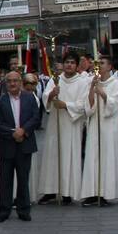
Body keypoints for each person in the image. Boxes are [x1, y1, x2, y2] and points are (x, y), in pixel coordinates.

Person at [38, 53, 91, 204]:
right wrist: (51, 95)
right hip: (55, 124)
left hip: (71, 124)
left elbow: (83, 105)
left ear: (76, 66)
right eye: (67, 62)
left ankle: (67, 191)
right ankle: (50, 190)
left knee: (68, 156)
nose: (69, 65)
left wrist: (66, 105)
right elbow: (46, 97)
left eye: (72, 63)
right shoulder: (56, 80)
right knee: (52, 156)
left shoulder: (82, 83)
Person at [0, 71, 40, 222]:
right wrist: (13, 133)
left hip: (25, 144)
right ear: (5, 84)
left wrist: (23, 131)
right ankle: (3, 211)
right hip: (7, 144)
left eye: (15, 81)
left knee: (23, 179)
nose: (12, 84)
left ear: (20, 82)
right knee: (5, 180)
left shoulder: (30, 98)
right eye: (9, 81)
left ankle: (24, 210)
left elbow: (35, 118)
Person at [80, 58, 118, 206]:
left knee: (106, 158)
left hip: (109, 126)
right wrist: (92, 88)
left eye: (102, 63)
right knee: (92, 157)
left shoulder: (115, 83)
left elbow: (114, 104)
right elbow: (88, 106)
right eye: (98, 64)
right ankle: (92, 192)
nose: (99, 66)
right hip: (95, 125)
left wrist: (102, 93)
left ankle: (105, 192)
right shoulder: (92, 81)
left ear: (110, 66)